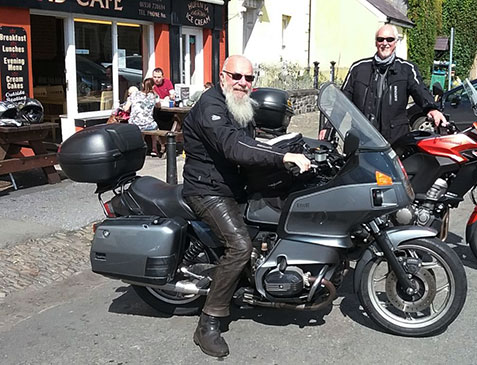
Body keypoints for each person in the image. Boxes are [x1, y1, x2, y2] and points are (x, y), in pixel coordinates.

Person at [182, 55, 311, 358]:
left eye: (249, 78)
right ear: (223, 76)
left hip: (233, 186)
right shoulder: (211, 106)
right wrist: (282, 158)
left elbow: (255, 138)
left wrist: (297, 145)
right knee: (239, 246)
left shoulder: (239, 104)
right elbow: (233, 146)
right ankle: (208, 323)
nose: (243, 82)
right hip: (208, 190)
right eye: (237, 76)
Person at [324, 24, 446, 144]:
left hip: (395, 140)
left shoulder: (407, 69)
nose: (385, 43)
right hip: (362, 138)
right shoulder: (359, 68)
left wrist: (432, 109)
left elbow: (420, 90)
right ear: (375, 42)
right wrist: (328, 128)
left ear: (396, 42)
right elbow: (342, 101)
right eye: (380, 39)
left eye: (390, 39)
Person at [122, 78, 162, 156]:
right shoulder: (154, 96)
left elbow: (126, 108)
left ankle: (140, 149)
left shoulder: (134, 94)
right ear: (153, 86)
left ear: (142, 85)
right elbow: (158, 106)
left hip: (134, 124)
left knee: (141, 128)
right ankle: (154, 149)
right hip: (148, 124)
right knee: (155, 126)